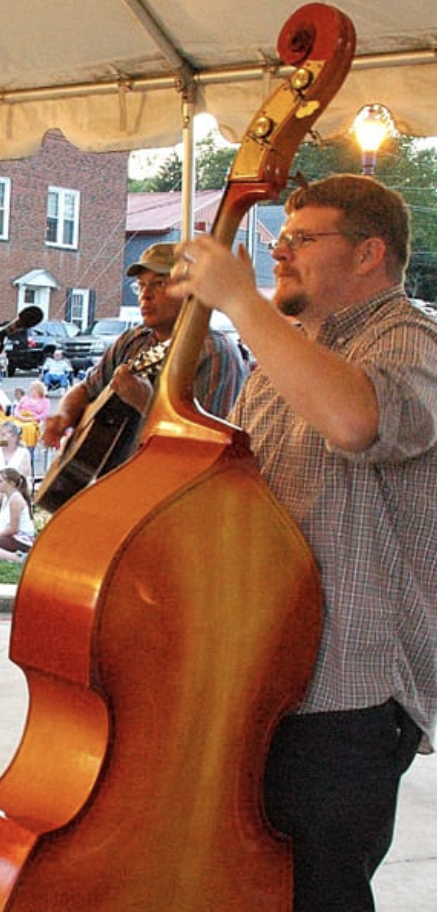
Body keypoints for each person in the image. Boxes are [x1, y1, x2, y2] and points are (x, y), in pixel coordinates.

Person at [169, 174, 434, 912]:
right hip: (275, 664)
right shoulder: (288, 353)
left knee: (320, 892)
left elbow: (356, 423)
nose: (278, 254)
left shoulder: (408, 336)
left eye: (301, 240)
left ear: (368, 254)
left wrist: (244, 304)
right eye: (279, 239)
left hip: (351, 685)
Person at [40, 243, 248, 473]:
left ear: (190, 291)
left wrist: (145, 401)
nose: (145, 295)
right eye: (141, 286)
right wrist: (63, 416)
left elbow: (203, 447)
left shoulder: (213, 352)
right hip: (115, 482)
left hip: (170, 492)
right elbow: (87, 388)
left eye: (159, 284)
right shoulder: (133, 340)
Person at [0, 467, 37, 561]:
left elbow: (13, 529)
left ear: (11, 484)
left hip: (21, 539)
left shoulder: (15, 499)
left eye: (1, 481)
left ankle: (18, 557)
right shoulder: (6, 497)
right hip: (11, 536)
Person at [0, 420, 31, 506]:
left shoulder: (24, 453)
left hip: (15, 490)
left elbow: (21, 479)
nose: (0, 437)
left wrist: (3, 495)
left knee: (15, 498)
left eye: (3, 435)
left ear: (14, 437)